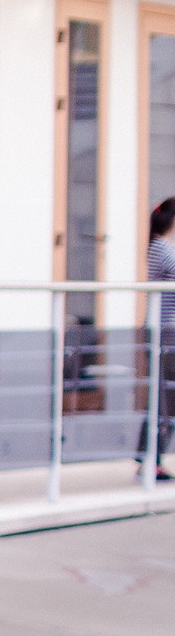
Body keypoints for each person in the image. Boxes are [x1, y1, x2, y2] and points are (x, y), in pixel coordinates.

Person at [144, 196, 173, 481]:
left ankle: (151, 457)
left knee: (163, 397)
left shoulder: (159, 248)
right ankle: (151, 458)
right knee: (165, 398)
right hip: (167, 331)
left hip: (163, 330)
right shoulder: (164, 250)